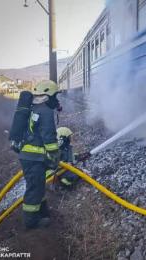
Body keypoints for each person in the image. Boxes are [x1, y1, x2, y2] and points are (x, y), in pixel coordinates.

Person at [18, 80, 62, 230]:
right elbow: (49, 137)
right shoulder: (45, 111)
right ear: (48, 95)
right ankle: (30, 223)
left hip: (30, 157)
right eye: (55, 95)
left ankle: (43, 212)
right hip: (33, 157)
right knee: (34, 188)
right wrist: (55, 155)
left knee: (38, 186)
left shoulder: (34, 108)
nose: (56, 100)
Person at [46, 127, 91, 191]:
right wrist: (67, 165)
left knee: (77, 173)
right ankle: (62, 187)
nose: (69, 140)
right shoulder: (54, 151)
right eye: (67, 138)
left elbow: (70, 157)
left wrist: (80, 156)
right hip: (52, 175)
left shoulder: (64, 149)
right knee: (72, 176)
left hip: (63, 170)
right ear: (62, 139)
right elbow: (55, 164)